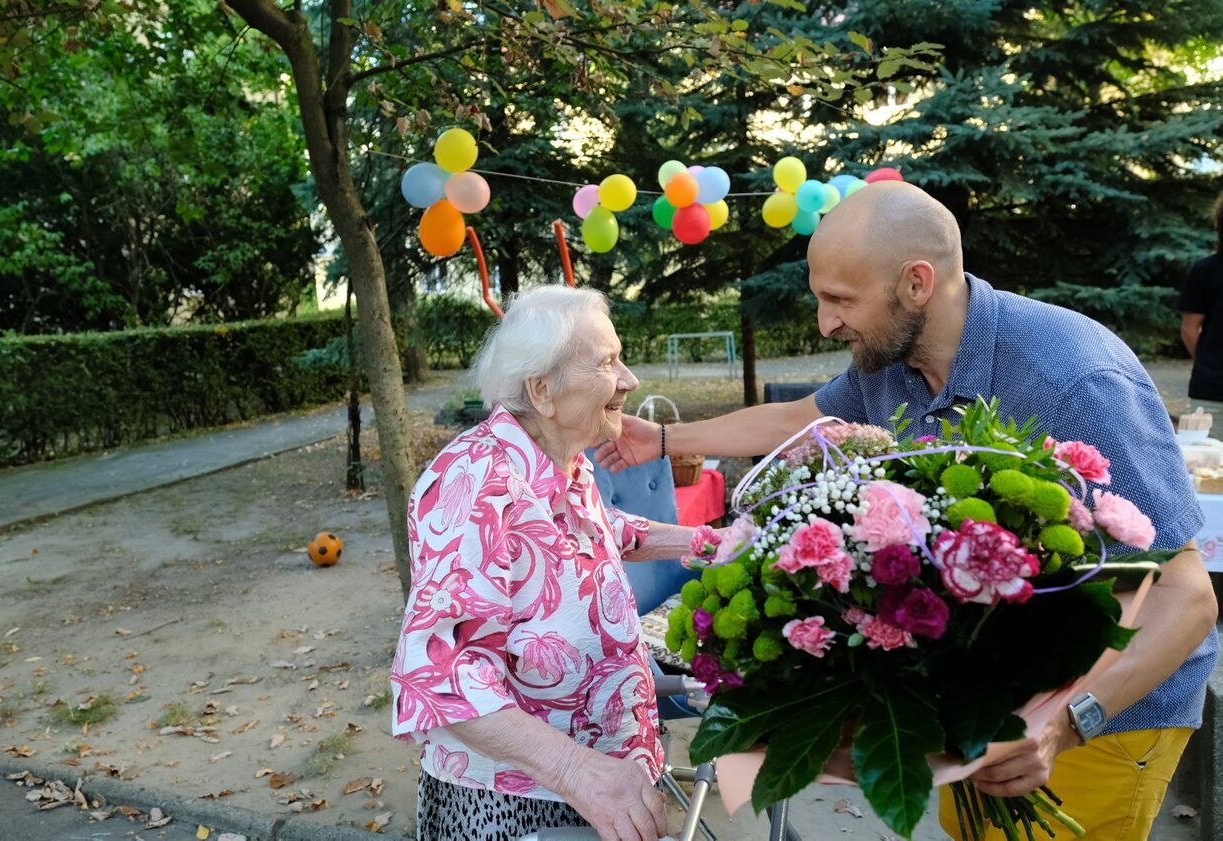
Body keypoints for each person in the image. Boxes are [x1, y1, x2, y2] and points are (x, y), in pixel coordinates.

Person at [597, 181, 1220, 840]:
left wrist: (1066, 723)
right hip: (995, 703)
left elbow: (1188, 598)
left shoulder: (1075, 379)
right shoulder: (890, 359)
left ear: (917, 283)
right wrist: (663, 439)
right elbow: (798, 419)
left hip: (1110, 713)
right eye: (819, 297)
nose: (824, 323)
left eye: (839, 300)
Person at [391, 286, 698, 841]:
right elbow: (442, 673)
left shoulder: (559, 458)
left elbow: (602, 532)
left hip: (596, 774)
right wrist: (580, 773)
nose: (630, 380)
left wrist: (706, 541)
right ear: (542, 389)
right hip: (521, 802)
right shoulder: (476, 482)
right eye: (607, 363)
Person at [1179, 190, 1223, 433]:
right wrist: (1209, 362)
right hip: (1212, 394)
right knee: (1209, 468)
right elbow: (1189, 328)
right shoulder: (1205, 270)